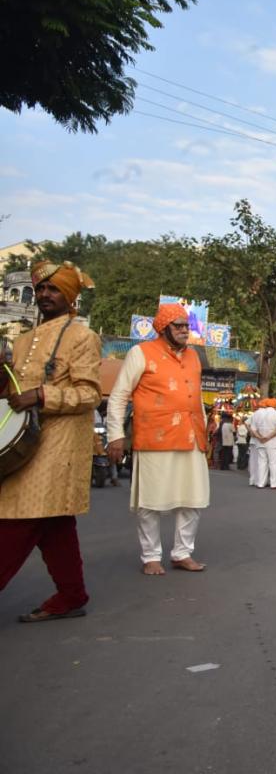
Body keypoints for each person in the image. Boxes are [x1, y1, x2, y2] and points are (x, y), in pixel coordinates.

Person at [0, 261, 100, 622]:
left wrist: (41, 396)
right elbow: (13, 393)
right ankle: (72, 596)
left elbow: (89, 394)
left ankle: (71, 596)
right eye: (40, 288)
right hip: (22, 444)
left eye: (53, 288)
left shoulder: (83, 337)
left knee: (16, 521)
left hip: (57, 448)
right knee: (56, 525)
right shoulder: (23, 340)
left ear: (69, 295)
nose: (44, 294)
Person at [106, 302, 210, 575]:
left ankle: (182, 553)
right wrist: (115, 435)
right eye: (179, 326)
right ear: (163, 328)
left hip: (191, 435)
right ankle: (151, 556)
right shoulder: (140, 353)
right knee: (149, 501)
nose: (185, 331)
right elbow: (118, 396)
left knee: (193, 499)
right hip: (155, 436)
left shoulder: (194, 356)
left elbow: (197, 399)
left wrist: (205, 430)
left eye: (187, 326)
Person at [249, 397, 276, 489]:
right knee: (274, 463)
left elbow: (253, 429)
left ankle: (261, 483)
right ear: (275, 405)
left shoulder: (257, 414)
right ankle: (274, 484)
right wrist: (268, 437)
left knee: (261, 462)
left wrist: (259, 437)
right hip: (274, 443)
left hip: (260, 442)